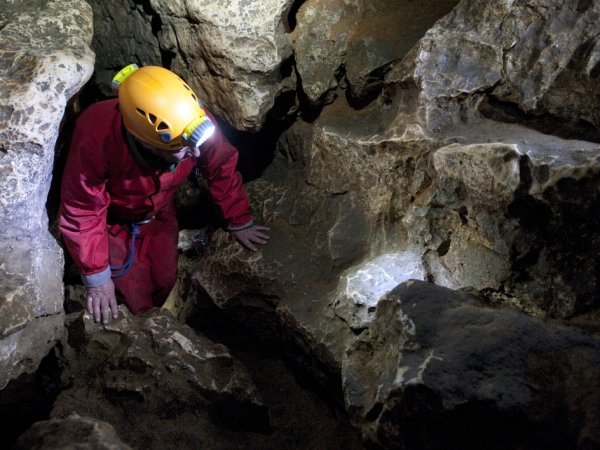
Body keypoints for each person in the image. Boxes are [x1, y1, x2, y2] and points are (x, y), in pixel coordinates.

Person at [59, 64, 269, 324]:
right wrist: (97, 279)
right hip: (115, 226)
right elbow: (83, 209)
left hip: (160, 215)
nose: (198, 153)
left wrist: (239, 220)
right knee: (136, 302)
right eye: (184, 149)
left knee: (165, 281)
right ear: (149, 142)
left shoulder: (192, 124)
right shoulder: (96, 135)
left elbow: (220, 165)